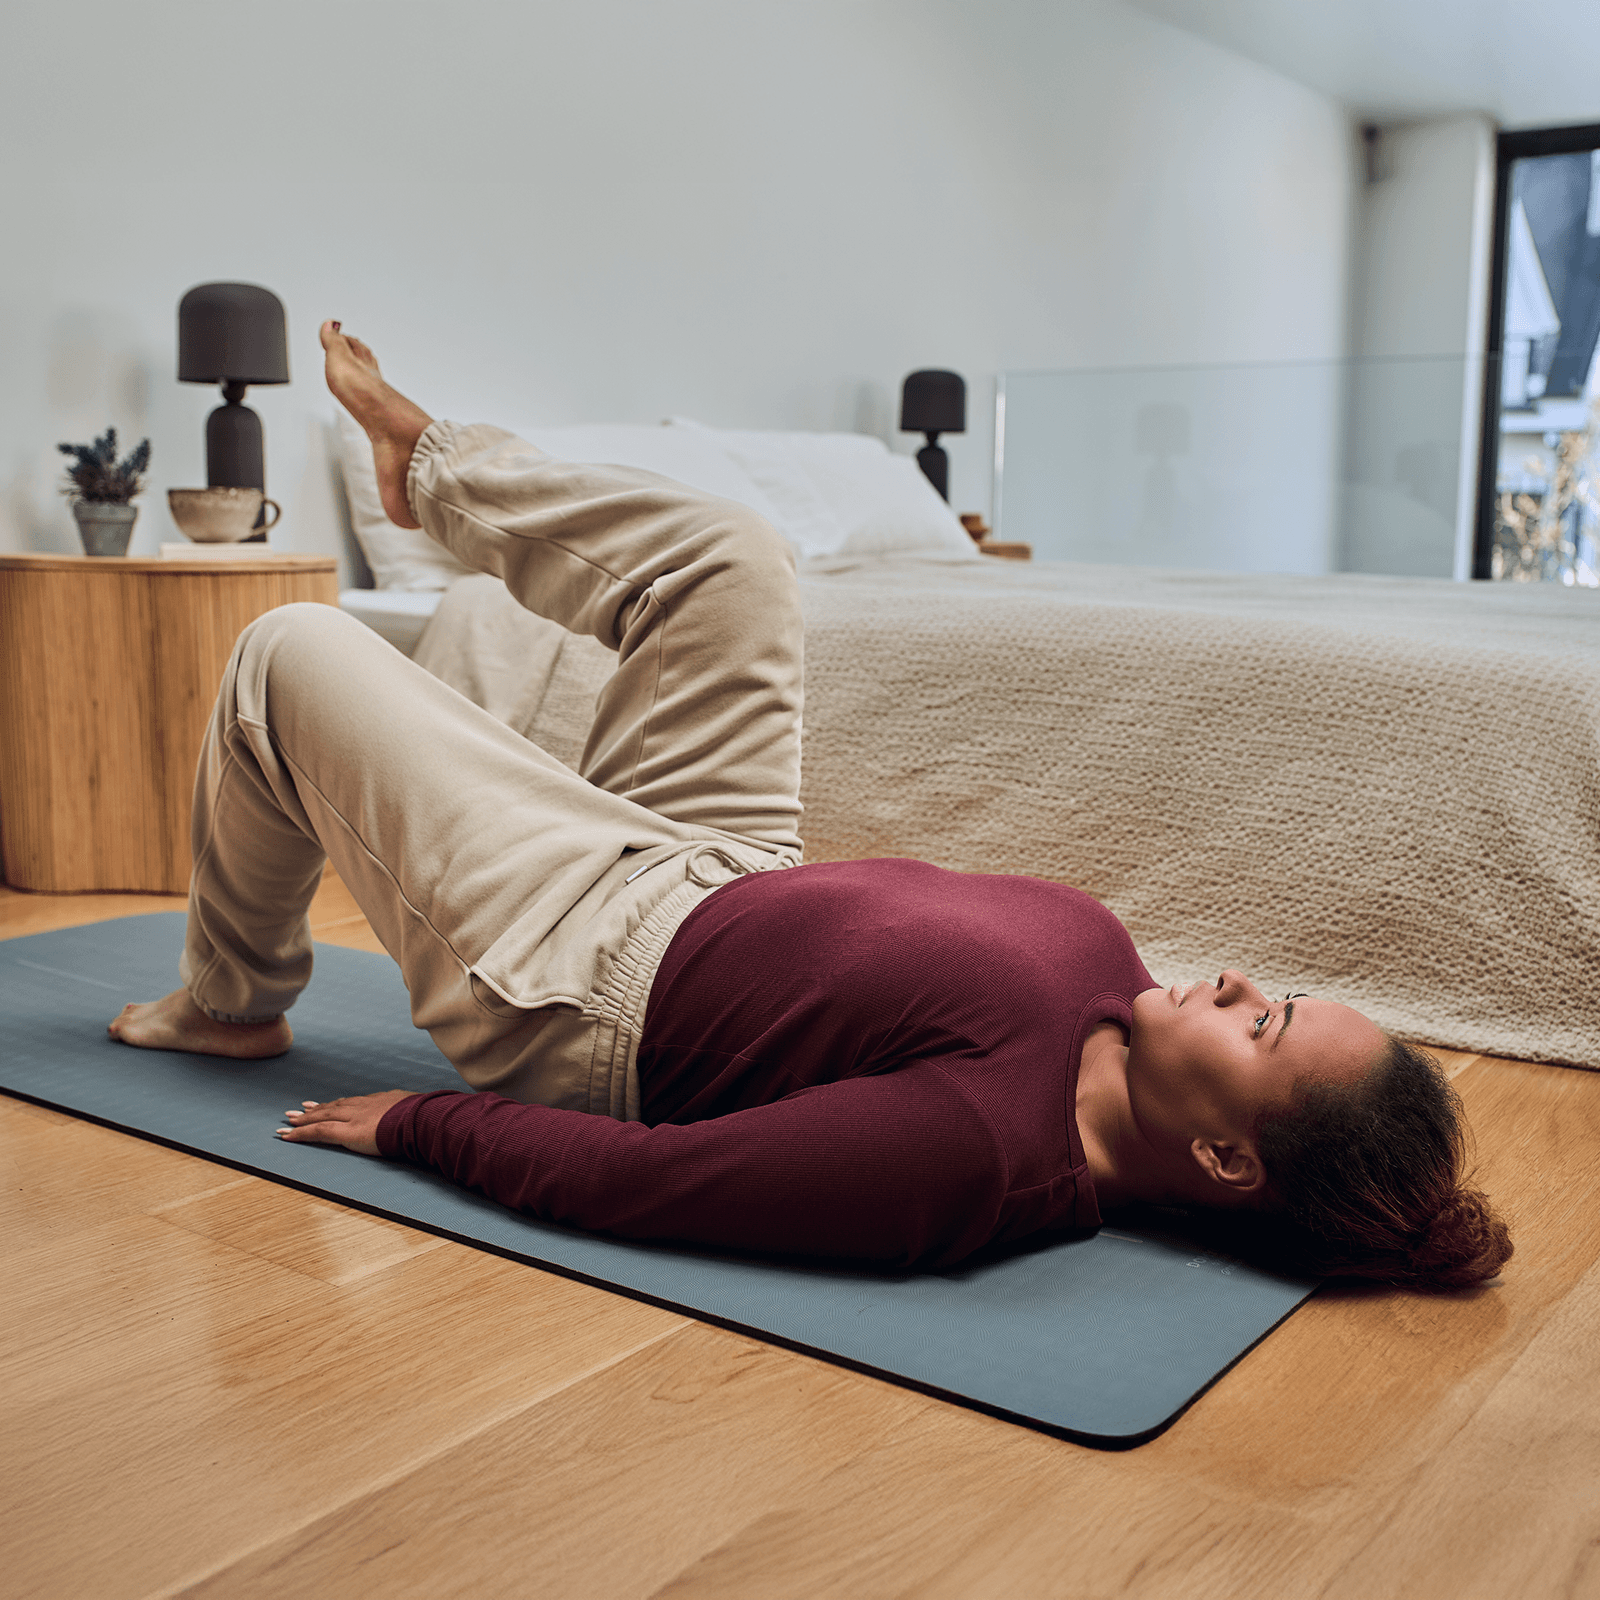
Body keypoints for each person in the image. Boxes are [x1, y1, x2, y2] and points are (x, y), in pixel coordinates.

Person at [110, 322, 1512, 1290]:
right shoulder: (1119, 1006)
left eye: (1260, 1023)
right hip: (716, 865)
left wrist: (421, 1128)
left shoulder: (973, 1160)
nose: (1234, 980)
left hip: (592, 977)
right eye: (1270, 991)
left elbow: (653, 1186)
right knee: (734, 556)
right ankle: (438, 476)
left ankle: (232, 1003)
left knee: (286, 655)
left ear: (1221, 1155)